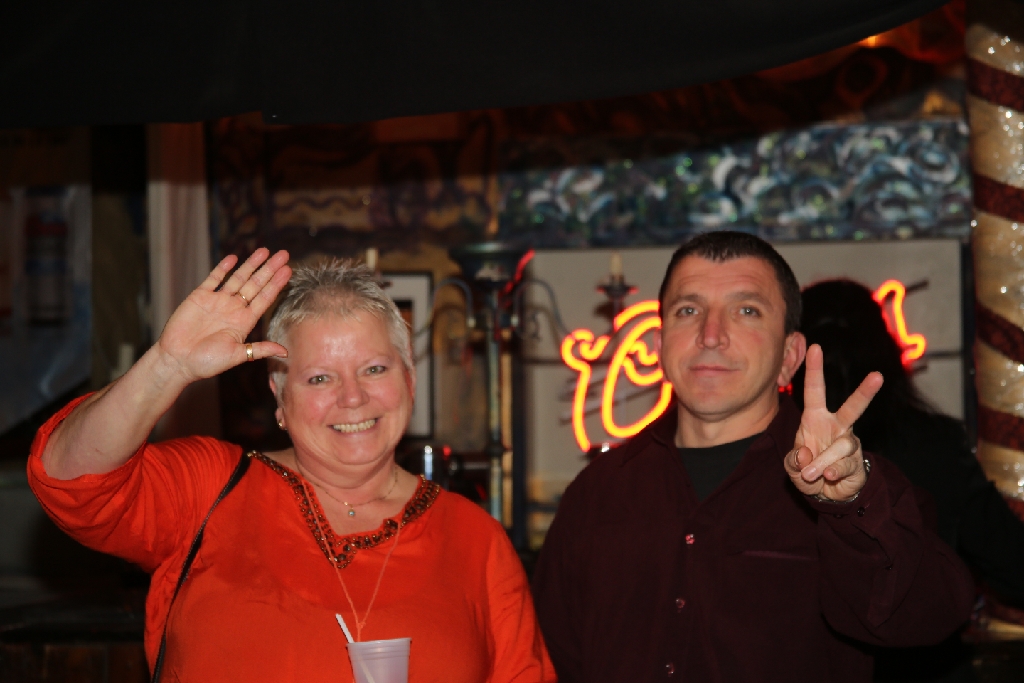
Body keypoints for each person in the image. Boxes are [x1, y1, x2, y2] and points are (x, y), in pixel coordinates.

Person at [28, 249, 554, 682]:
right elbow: (68, 479)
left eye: (374, 369)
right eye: (320, 378)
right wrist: (167, 366)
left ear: (410, 381)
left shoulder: (477, 542)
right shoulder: (211, 490)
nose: (352, 397)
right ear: (280, 398)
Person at [531, 231, 975, 683]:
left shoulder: (854, 488)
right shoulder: (598, 493)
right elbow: (547, 662)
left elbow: (928, 617)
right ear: (661, 345)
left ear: (789, 356)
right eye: (688, 310)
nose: (710, 335)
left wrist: (848, 507)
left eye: (746, 311)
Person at [794, 279, 1024, 683]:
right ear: (888, 350)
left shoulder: (775, 454)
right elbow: (1011, 561)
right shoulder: (935, 444)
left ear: (792, 359)